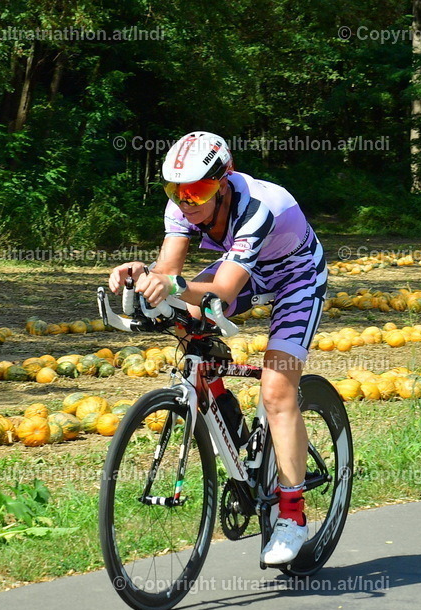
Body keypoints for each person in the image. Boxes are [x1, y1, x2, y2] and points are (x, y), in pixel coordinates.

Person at [108, 131, 328, 564]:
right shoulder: (183, 205)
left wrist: (170, 284)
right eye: (177, 191)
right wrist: (141, 274)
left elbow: (225, 290)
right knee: (185, 319)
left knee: (277, 391)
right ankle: (224, 406)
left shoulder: (259, 207)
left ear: (223, 181)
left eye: (198, 190)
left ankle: (292, 516)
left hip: (295, 278)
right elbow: (169, 272)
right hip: (249, 268)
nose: (187, 202)